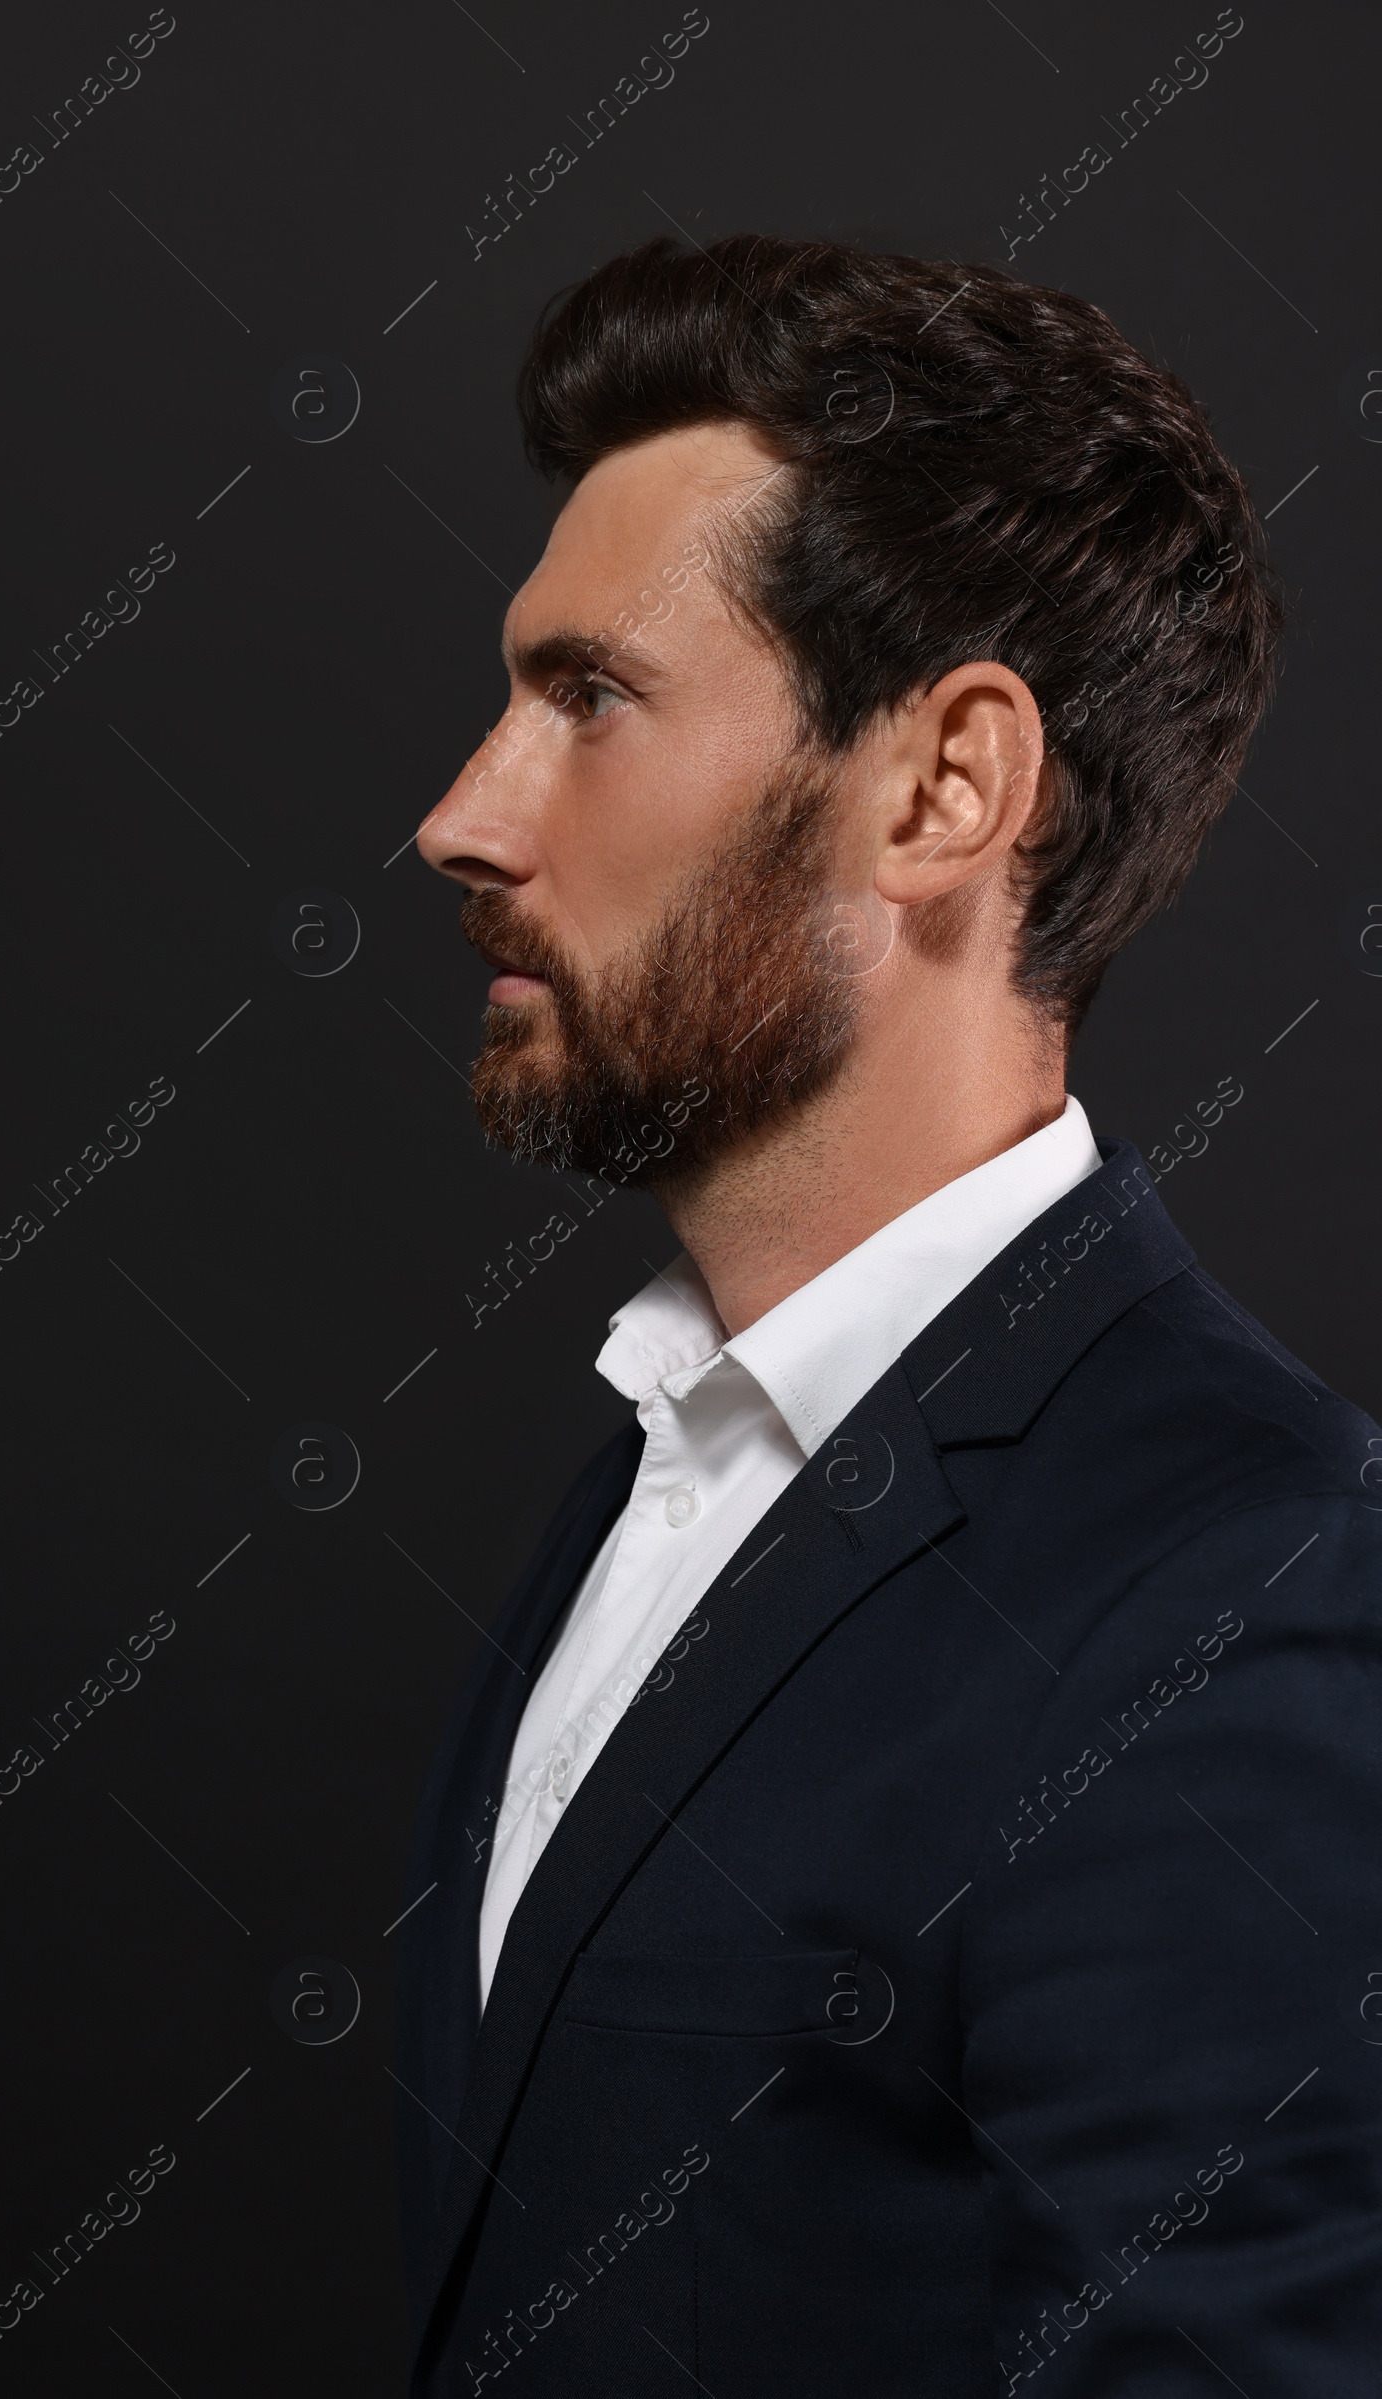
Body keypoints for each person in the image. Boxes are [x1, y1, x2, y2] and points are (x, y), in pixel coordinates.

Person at [394, 234, 1381, 2396]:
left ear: (941, 793)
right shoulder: (648, 1485)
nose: (461, 816)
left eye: (591, 697)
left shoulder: (1244, 1581)